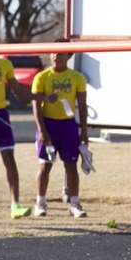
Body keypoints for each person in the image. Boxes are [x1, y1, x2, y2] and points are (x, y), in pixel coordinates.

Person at [0, 28, 53, 219]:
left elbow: (17, 90)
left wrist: (41, 97)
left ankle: (15, 205)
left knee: (9, 158)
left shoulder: (5, 63)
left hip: (0, 115)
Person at [31, 40, 88, 218]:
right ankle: (40, 202)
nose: (56, 56)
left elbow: (82, 105)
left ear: (68, 56)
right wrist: (41, 129)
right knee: (44, 166)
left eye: (61, 53)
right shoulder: (42, 76)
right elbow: (36, 105)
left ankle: (74, 203)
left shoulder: (77, 77)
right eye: (54, 52)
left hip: (68, 126)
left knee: (71, 166)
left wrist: (84, 131)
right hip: (48, 124)